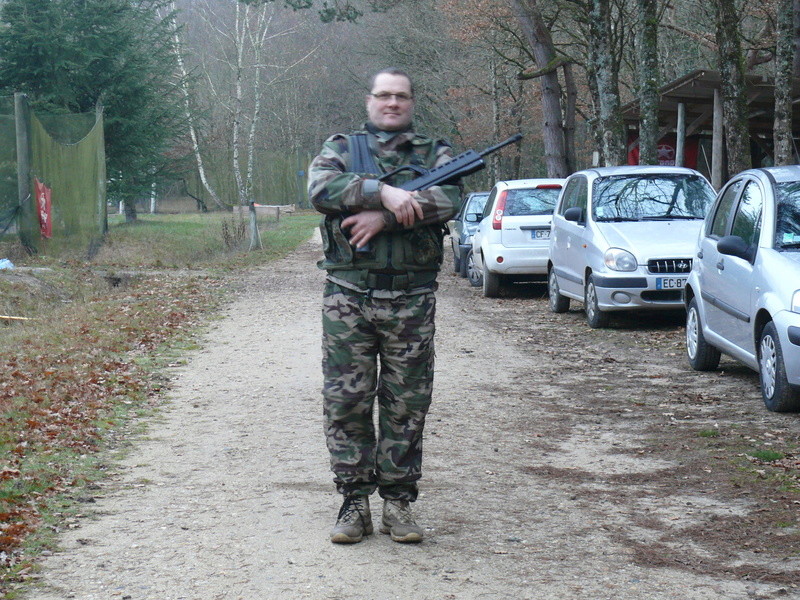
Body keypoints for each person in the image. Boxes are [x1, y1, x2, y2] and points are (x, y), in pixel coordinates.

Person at [308, 68, 460, 544]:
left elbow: (449, 198)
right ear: (369, 100)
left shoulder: (435, 152)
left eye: (401, 96)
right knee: (347, 403)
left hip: (412, 299)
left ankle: (397, 503)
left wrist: (382, 218)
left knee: (407, 405)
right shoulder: (341, 148)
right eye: (383, 95)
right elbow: (318, 190)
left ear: (411, 103)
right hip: (347, 298)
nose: (392, 103)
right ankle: (354, 502)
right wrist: (384, 192)